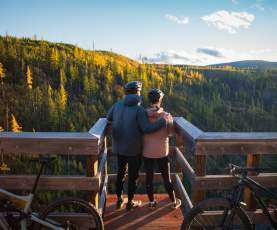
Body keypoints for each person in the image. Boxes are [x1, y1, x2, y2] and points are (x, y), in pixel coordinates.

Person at [107, 81, 172, 211]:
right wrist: (162, 121)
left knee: (120, 173)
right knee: (133, 176)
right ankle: (130, 202)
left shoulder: (117, 105)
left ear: (126, 93)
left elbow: (108, 118)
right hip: (134, 148)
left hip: (119, 145)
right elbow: (147, 128)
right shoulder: (139, 110)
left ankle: (119, 200)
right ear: (138, 93)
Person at [143, 88, 181, 209]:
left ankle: (152, 202)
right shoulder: (166, 116)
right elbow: (171, 133)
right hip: (162, 152)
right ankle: (173, 201)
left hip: (147, 151)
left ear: (150, 100)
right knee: (166, 178)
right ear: (160, 100)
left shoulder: (143, 114)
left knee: (149, 178)